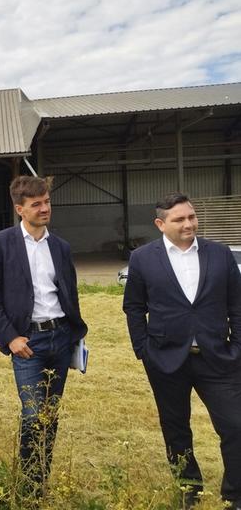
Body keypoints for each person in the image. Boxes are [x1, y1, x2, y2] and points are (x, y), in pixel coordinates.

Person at [123, 192, 241, 510]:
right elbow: (134, 307)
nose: (189, 223)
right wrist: (143, 350)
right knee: (176, 429)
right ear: (161, 224)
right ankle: (190, 489)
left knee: (235, 425)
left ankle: (235, 493)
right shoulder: (143, 259)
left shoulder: (220, 255)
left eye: (191, 217)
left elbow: (237, 304)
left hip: (218, 357)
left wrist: (237, 347)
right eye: (180, 219)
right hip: (165, 358)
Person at [0, 175, 87, 493]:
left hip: (60, 337)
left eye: (47, 201)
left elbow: (70, 293)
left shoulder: (61, 247)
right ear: (20, 209)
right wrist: (11, 337)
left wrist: (73, 334)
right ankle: (27, 489)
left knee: (50, 415)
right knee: (32, 415)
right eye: (36, 204)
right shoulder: (1, 243)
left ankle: (41, 481)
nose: (45, 208)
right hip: (28, 343)